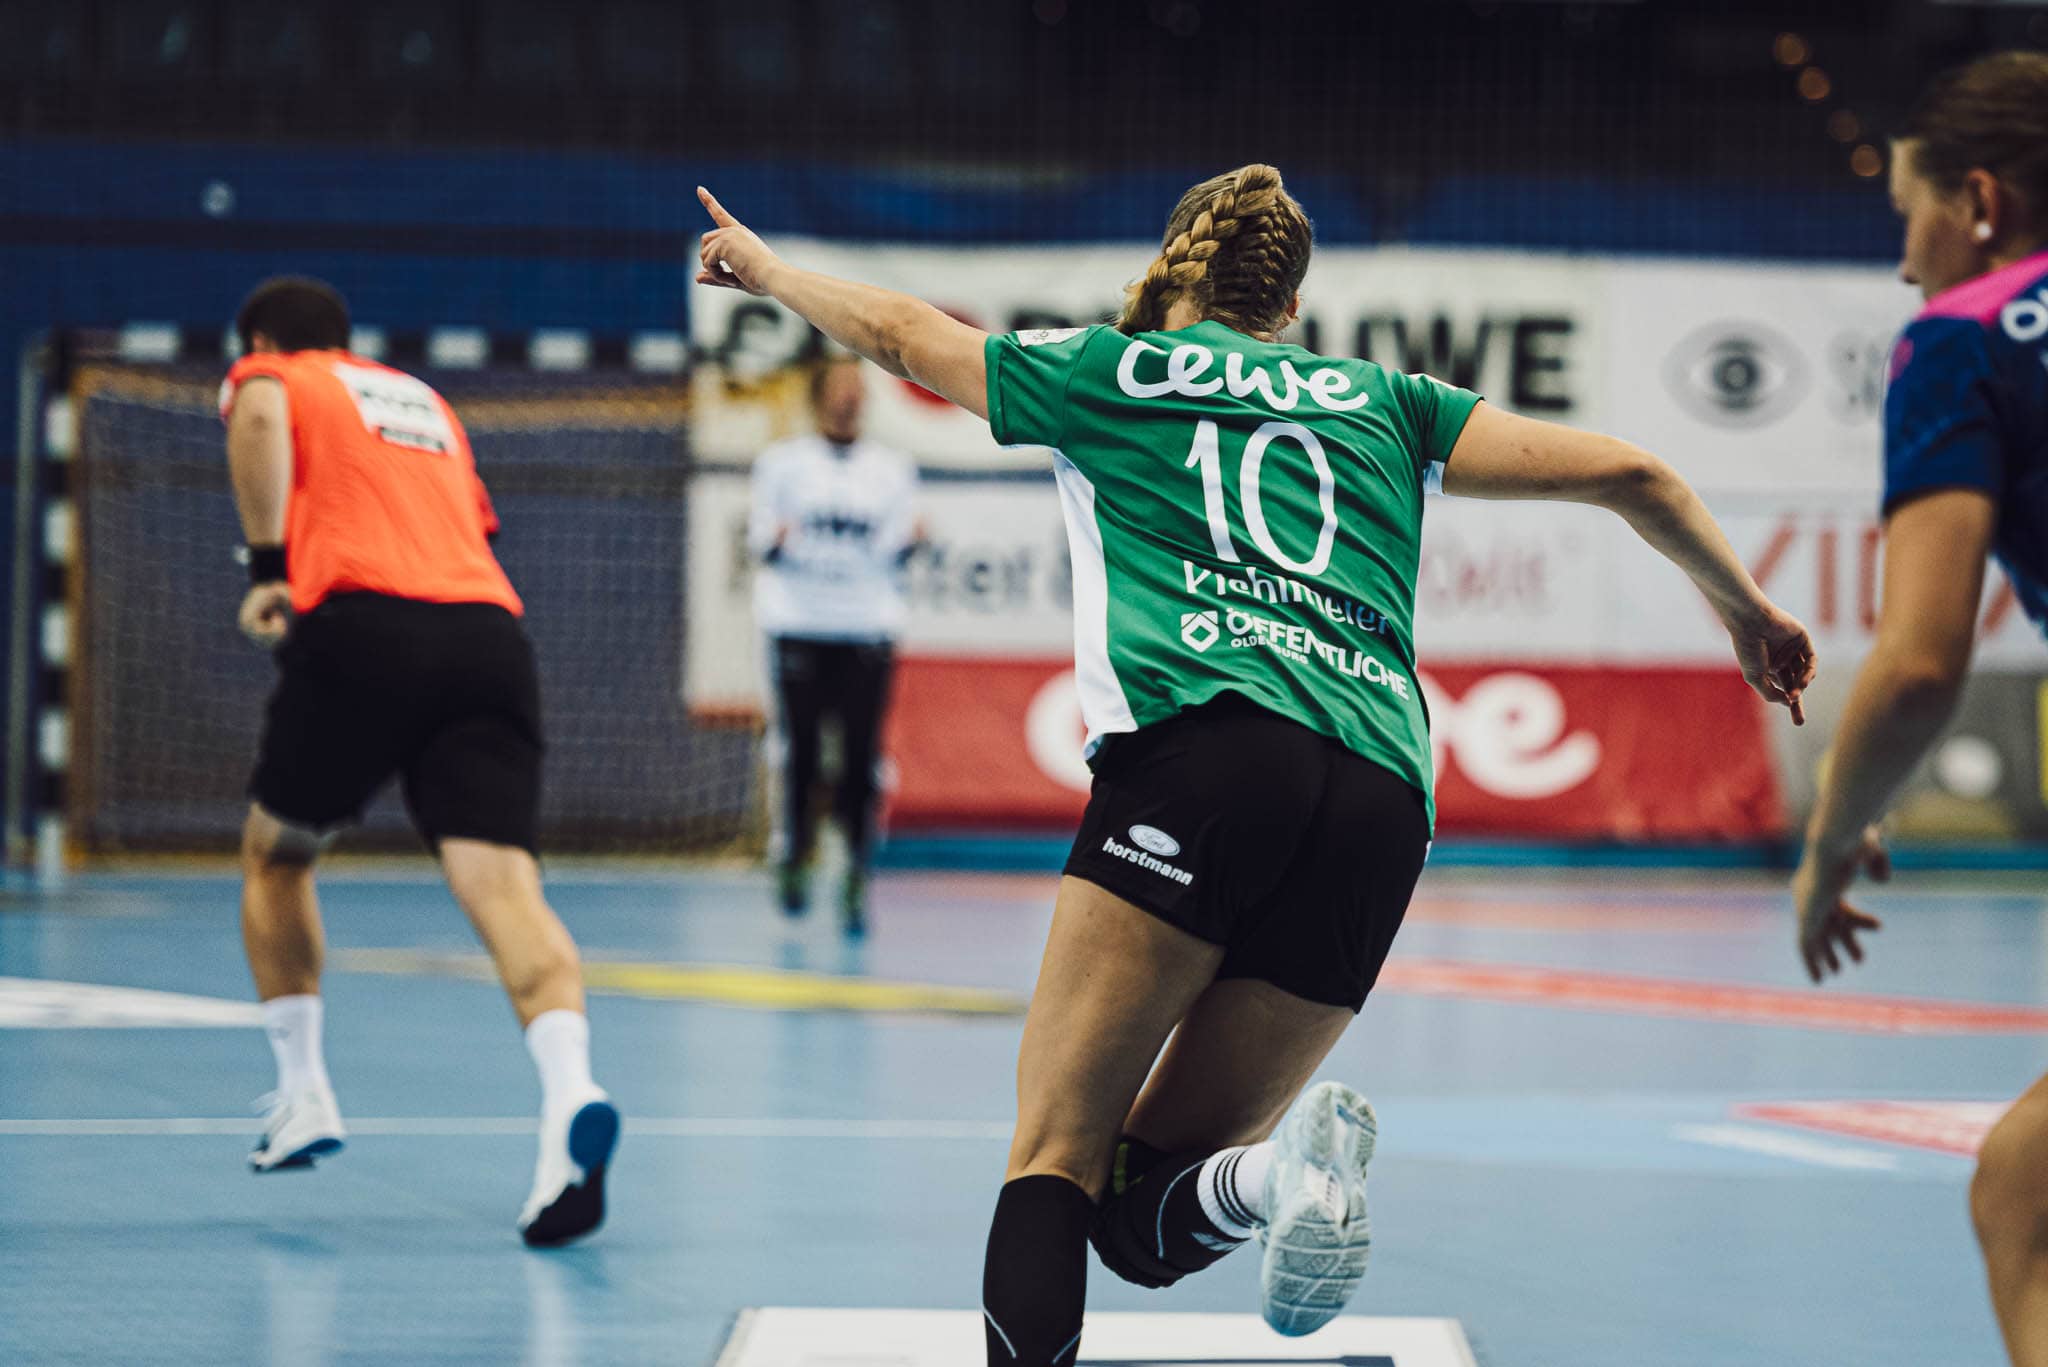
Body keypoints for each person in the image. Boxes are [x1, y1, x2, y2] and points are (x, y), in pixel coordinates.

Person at [694, 166, 1813, 1360]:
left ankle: (1269, 1180)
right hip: (1381, 800)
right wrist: (1745, 610)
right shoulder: (1389, 399)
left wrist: (767, 270)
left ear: (1176, 265)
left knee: (1055, 1154)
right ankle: (1272, 1181)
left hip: (1204, 755)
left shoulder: (1106, 370)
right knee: (1138, 1214)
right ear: (1287, 308)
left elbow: (904, 334)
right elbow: (1635, 474)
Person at [221, 276, 619, 1247]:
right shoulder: (424, 402)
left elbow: (260, 411)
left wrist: (270, 568)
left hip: (363, 623)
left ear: (264, 338)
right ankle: (572, 1090)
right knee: (505, 888)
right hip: (487, 637)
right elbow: (468, 526)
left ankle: (303, 1090)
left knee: (278, 853)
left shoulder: (277, 373)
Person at [1789, 51, 2048, 1366]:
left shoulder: (1963, 338)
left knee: (2026, 1204)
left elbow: (1917, 663)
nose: (1903, 262)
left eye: (1911, 215)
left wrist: (1831, 838)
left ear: (1980, 204)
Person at [749, 355, 919, 935]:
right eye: (841, 387)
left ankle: (855, 866)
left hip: (865, 627)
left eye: (858, 388)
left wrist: (913, 540)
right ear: (819, 396)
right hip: (799, 621)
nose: (850, 398)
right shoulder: (782, 465)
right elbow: (759, 540)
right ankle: (795, 852)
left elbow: (896, 543)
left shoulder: (891, 470)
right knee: (799, 750)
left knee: (859, 755)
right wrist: (775, 540)